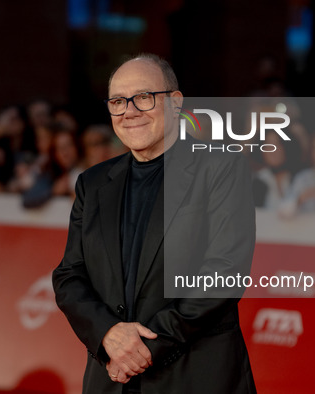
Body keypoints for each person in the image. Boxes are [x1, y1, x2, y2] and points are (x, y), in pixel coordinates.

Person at [52, 54, 256, 393]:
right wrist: (108, 335)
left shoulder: (220, 167)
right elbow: (69, 275)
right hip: (112, 377)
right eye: (117, 101)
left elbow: (223, 271)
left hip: (193, 375)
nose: (129, 111)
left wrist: (141, 348)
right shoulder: (93, 182)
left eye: (143, 97)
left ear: (175, 104)